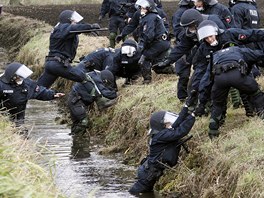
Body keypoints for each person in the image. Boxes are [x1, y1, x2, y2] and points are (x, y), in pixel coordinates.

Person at [188, 20, 264, 116]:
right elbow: (200, 70)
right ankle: (217, 116)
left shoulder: (230, 34)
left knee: (248, 86)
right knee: (216, 96)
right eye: (206, 38)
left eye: (211, 36)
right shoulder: (204, 49)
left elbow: (253, 34)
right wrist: (195, 91)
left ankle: (252, 110)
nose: (210, 40)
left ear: (216, 33)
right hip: (220, 75)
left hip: (241, 67)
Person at [159, 9, 226, 102]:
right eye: (187, 27)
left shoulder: (213, 21)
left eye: (190, 26)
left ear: (197, 23)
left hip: (222, 55)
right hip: (204, 57)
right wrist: (167, 60)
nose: (189, 29)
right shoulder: (190, 33)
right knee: (193, 87)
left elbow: (226, 37)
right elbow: (181, 47)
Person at [197, 46, 264, 138]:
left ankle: (213, 131)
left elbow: (205, 81)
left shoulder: (215, 56)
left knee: (217, 105)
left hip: (219, 79)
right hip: (237, 76)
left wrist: (202, 102)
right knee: (256, 93)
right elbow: (258, 55)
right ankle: (262, 114)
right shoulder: (239, 49)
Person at [129, 105, 195, 194]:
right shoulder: (160, 136)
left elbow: (177, 124)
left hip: (149, 171)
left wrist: (186, 106)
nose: (169, 123)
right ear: (161, 125)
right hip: (148, 175)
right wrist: (193, 116)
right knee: (135, 193)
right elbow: (180, 132)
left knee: (144, 193)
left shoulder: (160, 133)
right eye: (166, 122)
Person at [37, 10, 101, 88]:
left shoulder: (59, 29)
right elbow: (75, 28)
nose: (75, 22)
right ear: (67, 20)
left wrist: (88, 30)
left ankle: (29, 98)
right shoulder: (63, 27)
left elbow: (76, 29)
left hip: (52, 64)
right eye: (73, 20)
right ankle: (101, 97)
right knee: (84, 77)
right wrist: (91, 27)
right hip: (58, 64)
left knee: (39, 89)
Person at [0, 62, 65, 127]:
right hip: (3, 115)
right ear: (12, 77)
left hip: (19, 115)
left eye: (21, 77)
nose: (20, 79)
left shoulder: (26, 83)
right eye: (18, 77)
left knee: (21, 131)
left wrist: (53, 95)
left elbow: (39, 91)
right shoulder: (1, 85)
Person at [67, 70, 117, 135]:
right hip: (76, 102)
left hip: (75, 100)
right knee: (84, 121)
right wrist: (117, 94)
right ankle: (77, 139)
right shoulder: (96, 80)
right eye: (107, 84)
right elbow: (105, 93)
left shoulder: (94, 76)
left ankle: (74, 138)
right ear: (105, 80)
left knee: (77, 123)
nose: (106, 85)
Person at [133, 0, 170, 84]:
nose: (141, 9)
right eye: (141, 7)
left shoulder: (150, 18)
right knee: (158, 67)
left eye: (144, 8)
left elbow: (149, 34)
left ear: (149, 8)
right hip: (162, 42)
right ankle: (174, 71)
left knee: (143, 60)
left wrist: (142, 45)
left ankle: (147, 81)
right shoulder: (152, 16)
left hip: (158, 43)